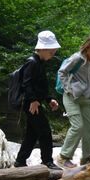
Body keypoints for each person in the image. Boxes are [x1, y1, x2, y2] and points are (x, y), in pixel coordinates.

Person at [57, 34, 90, 168]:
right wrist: (68, 89)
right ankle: (64, 157)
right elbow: (62, 72)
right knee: (78, 126)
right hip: (71, 97)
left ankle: (86, 158)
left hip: (86, 98)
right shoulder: (77, 58)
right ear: (87, 48)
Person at [14, 31, 61, 170]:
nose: (53, 54)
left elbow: (40, 86)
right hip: (30, 104)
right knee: (45, 131)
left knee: (32, 134)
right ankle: (47, 161)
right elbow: (26, 84)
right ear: (43, 49)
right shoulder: (32, 62)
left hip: (34, 102)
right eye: (51, 52)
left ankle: (20, 161)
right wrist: (34, 101)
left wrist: (49, 99)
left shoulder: (39, 63)